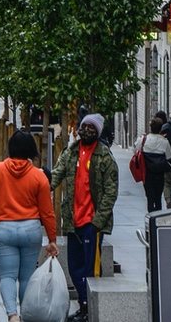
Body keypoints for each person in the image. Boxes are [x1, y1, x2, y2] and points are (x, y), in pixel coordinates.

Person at [0, 130, 59, 322]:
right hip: (31, 230)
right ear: (32, 150)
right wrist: (52, 239)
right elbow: (47, 211)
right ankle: (24, 314)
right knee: (27, 278)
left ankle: (11, 315)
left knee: (7, 276)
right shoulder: (39, 176)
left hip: (4, 229)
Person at [49, 114, 119, 322]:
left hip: (92, 224)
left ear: (97, 131)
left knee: (90, 269)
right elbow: (56, 175)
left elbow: (111, 191)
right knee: (74, 267)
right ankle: (83, 304)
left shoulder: (104, 156)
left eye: (91, 127)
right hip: (72, 221)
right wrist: (39, 187)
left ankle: (90, 309)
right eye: (84, 126)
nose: (86, 130)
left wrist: (98, 221)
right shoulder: (70, 152)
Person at [139, 117, 171, 213]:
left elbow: (136, 151)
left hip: (147, 173)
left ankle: (150, 217)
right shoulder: (164, 141)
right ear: (161, 128)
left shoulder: (144, 139)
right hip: (159, 173)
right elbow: (170, 155)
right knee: (158, 197)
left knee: (150, 197)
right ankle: (157, 217)